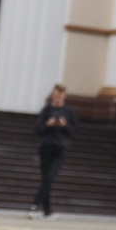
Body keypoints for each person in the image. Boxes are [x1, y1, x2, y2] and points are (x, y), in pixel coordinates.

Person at [34, 84, 76, 216]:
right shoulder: (46, 110)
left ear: (64, 96)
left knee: (50, 177)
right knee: (45, 178)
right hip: (46, 146)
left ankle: (35, 203)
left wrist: (65, 125)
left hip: (60, 148)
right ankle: (47, 210)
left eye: (61, 96)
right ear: (53, 95)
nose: (58, 98)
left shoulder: (69, 111)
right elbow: (37, 130)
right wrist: (48, 124)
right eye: (56, 95)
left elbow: (73, 131)